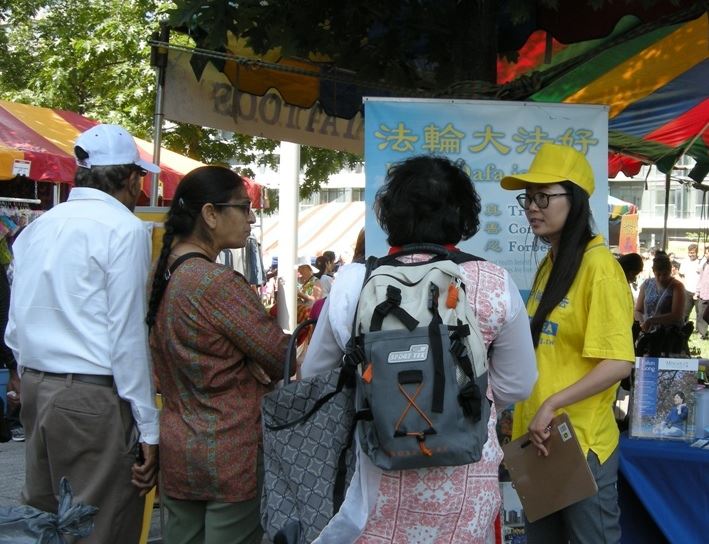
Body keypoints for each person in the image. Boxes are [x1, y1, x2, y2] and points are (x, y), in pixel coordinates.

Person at [302, 155, 537, 543]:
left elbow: (315, 378)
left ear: (390, 213)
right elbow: (518, 385)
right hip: (465, 482)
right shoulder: (494, 282)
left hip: (372, 482)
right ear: (462, 215)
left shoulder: (354, 282)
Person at [5, 124, 160, 543]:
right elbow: (127, 335)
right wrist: (148, 428)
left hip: (39, 387)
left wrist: (27, 377)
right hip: (92, 397)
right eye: (140, 179)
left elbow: (16, 324)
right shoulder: (125, 229)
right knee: (100, 527)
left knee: (42, 524)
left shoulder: (38, 228)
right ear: (131, 179)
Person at [145, 165, 289, 544]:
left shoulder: (162, 275)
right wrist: (254, 359)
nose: (251, 218)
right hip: (230, 450)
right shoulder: (215, 283)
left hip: (179, 447)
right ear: (210, 214)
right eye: (243, 207)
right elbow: (280, 356)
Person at [500, 143, 634, 544]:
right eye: (528, 198)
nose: (532, 207)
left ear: (574, 200)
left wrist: (552, 404)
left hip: (579, 442)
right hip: (538, 441)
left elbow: (618, 362)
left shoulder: (600, 268)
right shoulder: (551, 265)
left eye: (543, 197)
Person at [635, 252, 687, 356]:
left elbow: (676, 315)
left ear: (670, 271)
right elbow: (638, 310)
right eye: (658, 274)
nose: (662, 278)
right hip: (648, 334)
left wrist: (651, 320)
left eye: (665, 274)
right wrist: (642, 322)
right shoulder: (647, 284)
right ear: (653, 271)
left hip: (669, 336)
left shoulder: (677, 287)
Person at [679, 243, 701, 322]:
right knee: (684, 313)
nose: (691, 254)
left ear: (697, 252)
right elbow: (681, 275)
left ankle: (699, 329)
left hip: (699, 292)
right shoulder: (685, 262)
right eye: (689, 252)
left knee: (700, 314)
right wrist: (684, 286)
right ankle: (683, 327)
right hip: (687, 291)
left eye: (693, 253)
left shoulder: (701, 262)